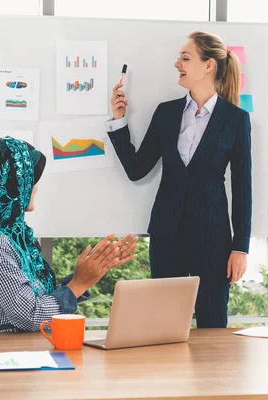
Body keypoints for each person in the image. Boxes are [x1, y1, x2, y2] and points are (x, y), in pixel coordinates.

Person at [106, 31, 252, 328]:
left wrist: (241, 248)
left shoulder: (235, 119)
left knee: (212, 325)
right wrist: (119, 120)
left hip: (213, 240)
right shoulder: (167, 113)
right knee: (164, 324)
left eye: (185, 58)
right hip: (166, 235)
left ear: (208, 66)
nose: (177, 64)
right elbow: (137, 169)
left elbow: (243, 189)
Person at [0, 137, 138, 333]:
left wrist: (89, 272)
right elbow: (29, 315)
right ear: (9, 185)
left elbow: (35, 301)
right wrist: (78, 284)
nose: (34, 187)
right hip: (8, 357)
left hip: (28, 352)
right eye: (28, 180)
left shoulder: (12, 235)